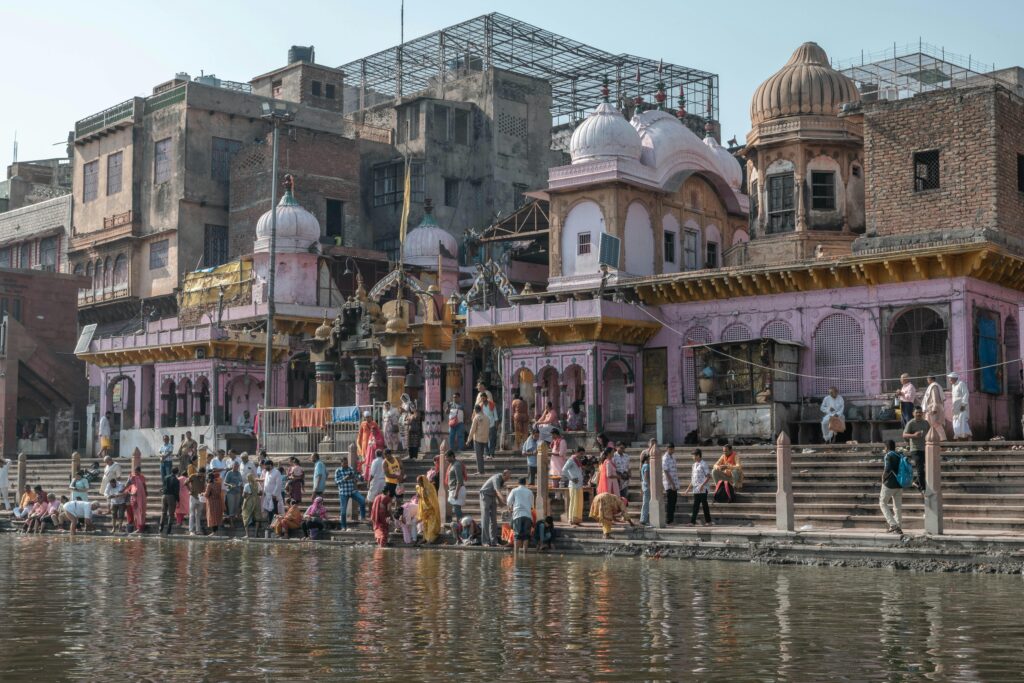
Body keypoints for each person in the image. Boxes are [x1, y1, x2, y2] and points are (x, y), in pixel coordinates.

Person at [902, 407, 930, 493]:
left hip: (925, 448)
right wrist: (914, 435)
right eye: (917, 412)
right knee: (920, 469)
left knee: (927, 469)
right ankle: (923, 489)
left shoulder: (926, 423)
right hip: (915, 449)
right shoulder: (911, 423)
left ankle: (916, 481)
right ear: (913, 413)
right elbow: (904, 435)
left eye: (920, 412)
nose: (919, 414)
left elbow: (930, 434)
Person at [479, 469, 510, 547]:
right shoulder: (496, 478)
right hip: (485, 495)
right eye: (508, 477)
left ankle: (494, 541)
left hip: (492, 496)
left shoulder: (502, 480)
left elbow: (496, 493)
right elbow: (498, 491)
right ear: (504, 474)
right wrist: (505, 501)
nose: (508, 479)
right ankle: (485, 541)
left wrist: (500, 502)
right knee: (485, 519)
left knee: (494, 519)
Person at [334, 457, 366, 531]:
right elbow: (336, 482)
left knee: (362, 500)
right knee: (343, 510)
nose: (346, 464)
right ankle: (343, 526)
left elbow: (356, 476)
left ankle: (363, 517)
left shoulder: (350, 469)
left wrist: (360, 477)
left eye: (347, 463)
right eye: (344, 463)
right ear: (341, 463)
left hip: (352, 490)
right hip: (343, 492)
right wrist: (344, 479)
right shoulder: (338, 471)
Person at [880, 439, 904, 534]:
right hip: (899, 483)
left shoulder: (888, 455)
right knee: (897, 506)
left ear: (887, 447)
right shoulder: (900, 455)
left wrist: (883, 478)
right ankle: (898, 527)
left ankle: (893, 525)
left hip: (889, 484)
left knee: (882, 503)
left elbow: (888, 469)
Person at [507, 477, 535, 553]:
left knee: (517, 536)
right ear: (525, 483)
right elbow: (532, 505)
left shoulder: (514, 490)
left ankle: (516, 555)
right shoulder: (529, 492)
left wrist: (510, 507)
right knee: (526, 536)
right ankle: (524, 554)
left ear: (518, 483)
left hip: (517, 515)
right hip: (527, 515)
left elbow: (508, 502)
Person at [561, 447, 585, 526]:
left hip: (579, 484)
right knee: (573, 502)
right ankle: (571, 519)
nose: (582, 455)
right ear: (576, 452)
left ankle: (577, 520)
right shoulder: (571, 460)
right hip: (573, 485)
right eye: (581, 454)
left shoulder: (578, 460)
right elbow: (564, 470)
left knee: (579, 502)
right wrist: (571, 478)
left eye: (583, 454)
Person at [689, 449, 712, 526]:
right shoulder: (694, 465)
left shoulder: (703, 464)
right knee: (696, 505)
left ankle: (708, 521)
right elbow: (693, 478)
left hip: (703, 488)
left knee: (704, 505)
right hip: (696, 488)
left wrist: (702, 485)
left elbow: (708, 476)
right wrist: (688, 488)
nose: (693, 457)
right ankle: (692, 522)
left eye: (694, 456)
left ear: (698, 455)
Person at [416, 474, 441, 544]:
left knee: (431, 524)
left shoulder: (430, 487)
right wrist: (418, 495)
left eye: (419, 482)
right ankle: (425, 538)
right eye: (417, 482)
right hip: (424, 510)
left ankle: (430, 539)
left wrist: (427, 494)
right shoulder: (420, 488)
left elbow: (433, 499)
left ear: (423, 481)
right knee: (425, 525)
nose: (418, 484)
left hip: (431, 509)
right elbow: (420, 496)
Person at [358, 412, 384, 479]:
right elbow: (360, 435)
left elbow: (378, 433)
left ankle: (373, 475)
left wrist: (376, 441)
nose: (367, 418)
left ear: (371, 417)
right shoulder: (363, 424)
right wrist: (359, 444)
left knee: (373, 461)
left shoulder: (374, 424)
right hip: (365, 445)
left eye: (368, 417)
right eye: (366, 417)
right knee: (365, 460)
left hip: (374, 446)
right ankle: (365, 475)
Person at [467, 404, 490, 475]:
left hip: (477, 439)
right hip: (485, 439)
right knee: (481, 455)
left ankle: (480, 471)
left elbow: (472, 429)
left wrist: (468, 440)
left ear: (475, 410)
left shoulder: (476, 417)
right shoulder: (486, 417)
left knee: (478, 456)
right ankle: (481, 470)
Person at [922, 375, 946, 441]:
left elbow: (935, 398)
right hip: (931, 408)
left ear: (930, 379)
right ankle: (934, 439)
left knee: (936, 424)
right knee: (931, 424)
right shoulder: (934, 386)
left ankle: (943, 439)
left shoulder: (934, 386)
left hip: (933, 409)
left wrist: (934, 409)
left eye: (927, 378)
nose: (927, 380)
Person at [949, 373, 972, 441]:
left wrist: (963, 405)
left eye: (950, 378)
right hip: (956, 408)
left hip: (962, 407)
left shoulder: (961, 384)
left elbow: (966, 394)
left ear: (955, 378)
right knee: (955, 422)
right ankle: (958, 440)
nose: (949, 380)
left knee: (963, 422)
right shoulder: (953, 386)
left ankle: (969, 438)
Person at [125, 466, 148, 534]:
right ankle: (138, 528)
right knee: (137, 512)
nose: (135, 473)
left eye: (136, 472)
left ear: (139, 471)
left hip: (140, 496)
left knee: (140, 512)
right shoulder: (133, 477)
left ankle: (140, 528)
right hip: (136, 496)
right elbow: (128, 485)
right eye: (135, 472)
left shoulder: (140, 477)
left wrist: (145, 491)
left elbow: (143, 486)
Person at [446, 450, 467, 519]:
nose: (446, 459)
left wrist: (456, 493)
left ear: (452, 456)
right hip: (454, 489)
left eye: (447, 458)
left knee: (457, 510)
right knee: (456, 510)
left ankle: (461, 526)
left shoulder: (456, 465)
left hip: (457, 489)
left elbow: (459, 480)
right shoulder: (452, 464)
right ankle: (461, 525)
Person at [662, 443, 680, 525]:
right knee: (670, 502)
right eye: (670, 449)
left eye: (673, 449)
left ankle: (671, 519)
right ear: (667, 448)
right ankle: (669, 520)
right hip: (669, 483)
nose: (672, 450)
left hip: (675, 481)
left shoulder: (673, 457)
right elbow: (665, 471)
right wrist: (671, 483)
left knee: (674, 501)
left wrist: (675, 483)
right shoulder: (665, 458)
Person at [160, 466, 180, 535]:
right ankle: (168, 531)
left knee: (163, 512)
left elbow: (163, 486)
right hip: (171, 497)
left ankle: (161, 528)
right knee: (171, 514)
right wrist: (178, 500)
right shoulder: (176, 480)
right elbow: (176, 491)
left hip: (164, 496)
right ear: (177, 472)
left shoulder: (166, 477)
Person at [241, 472, 262, 537]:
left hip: (249, 501)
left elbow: (244, 495)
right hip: (257, 501)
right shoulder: (258, 484)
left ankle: (247, 534)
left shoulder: (247, 485)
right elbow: (261, 493)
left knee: (246, 516)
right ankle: (256, 534)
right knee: (257, 517)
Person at [223, 461, 243, 527]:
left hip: (238, 492)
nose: (236, 467)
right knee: (231, 508)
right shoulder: (229, 473)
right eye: (235, 466)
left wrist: (240, 485)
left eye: (237, 466)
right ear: (232, 466)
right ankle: (231, 523)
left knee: (236, 507)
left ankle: (234, 522)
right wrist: (230, 485)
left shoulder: (239, 473)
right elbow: (225, 483)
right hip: (231, 493)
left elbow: (241, 482)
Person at [204, 471, 224, 536]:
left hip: (212, 502)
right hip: (218, 501)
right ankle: (216, 531)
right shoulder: (218, 484)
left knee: (212, 517)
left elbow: (206, 495)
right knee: (217, 516)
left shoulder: (209, 485)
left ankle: (213, 532)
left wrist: (202, 494)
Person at [639, 450, 652, 526]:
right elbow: (646, 476)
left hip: (644, 486)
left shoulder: (643, 465)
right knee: (646, 503)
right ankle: (643, 519)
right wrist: (650, 485)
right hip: (647, 486)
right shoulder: (646, 466)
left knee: (645, 503)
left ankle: (644, 518)